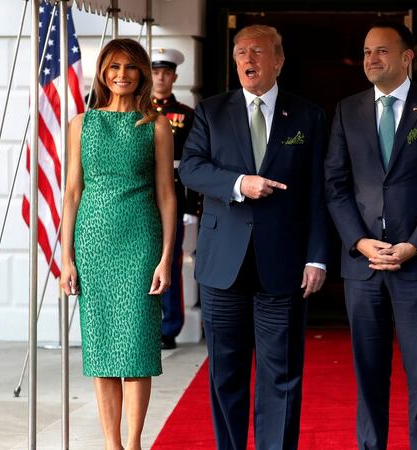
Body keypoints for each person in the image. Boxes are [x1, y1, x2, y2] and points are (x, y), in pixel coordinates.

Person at [179, 24, 328, 450]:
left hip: (283, 265)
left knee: (280, 373)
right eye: (241, 51)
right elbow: (190, 168)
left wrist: (317, 257)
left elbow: (320, 191)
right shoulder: (211, 111)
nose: (248, 59)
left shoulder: (308, 116)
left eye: (258, 52)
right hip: (221, 264)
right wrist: (239, 183)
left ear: (278, 61)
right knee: (225, 372)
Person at [325, 21, 417, 450]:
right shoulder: (347, 110)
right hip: (363, 265)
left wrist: (413, 245)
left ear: (408, 56)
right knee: (369, 375)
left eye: (382, 51)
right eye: (367, 51)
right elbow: (335, 183)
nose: (371, 59)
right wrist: (359, 240)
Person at [60, 38, 176, 450]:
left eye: (129, 67)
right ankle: (112, 445)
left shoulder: (156, 124)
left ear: (142, 72)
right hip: (93, 241)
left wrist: (165, 258)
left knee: (137, 347)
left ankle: (134, 442)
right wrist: (66, 256)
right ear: (103, 73)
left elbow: (166, 194)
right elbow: (72, 191)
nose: (121, 75)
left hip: (140, 239)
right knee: (104, 348)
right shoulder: (81, 124)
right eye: (113, 67)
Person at [150, 47, 199, 350]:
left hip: (175, 193)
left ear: (174, 77)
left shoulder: (186, 115)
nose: (160, 78)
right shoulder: (138, 111)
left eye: (166, 72)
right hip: (143, 194)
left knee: (171, 261)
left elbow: (193, 164)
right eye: (156, 72)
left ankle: (169, 327)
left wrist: (191, 205)